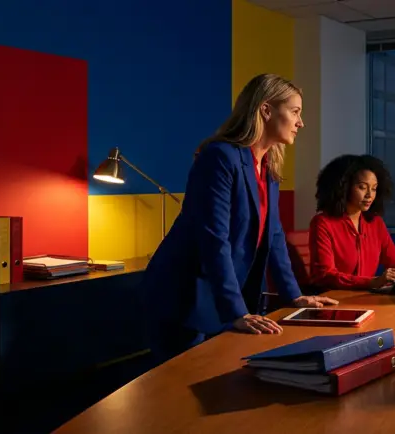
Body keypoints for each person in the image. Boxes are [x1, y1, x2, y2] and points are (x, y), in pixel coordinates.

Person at [142, 74, 338, 363]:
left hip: (223, 299)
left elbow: (274, 236)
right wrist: (236, 312)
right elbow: (214, 239)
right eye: (295, 111)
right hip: (187, 296)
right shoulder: (219, 157)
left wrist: (294, 296)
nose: (301, 122)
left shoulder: (267, 164)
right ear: (266, 109)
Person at [309, 155, 395, 290]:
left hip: (364, 300)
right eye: (362, 187)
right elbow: (325, 275)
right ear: (344, 187)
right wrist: (372, 282)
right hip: (333, 301)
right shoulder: (323, 223)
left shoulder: (375, 223)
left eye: (374, 188)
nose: (369, 195)